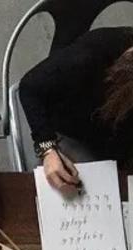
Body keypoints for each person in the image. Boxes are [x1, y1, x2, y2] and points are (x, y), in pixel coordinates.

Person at [19, 27, 133, 194]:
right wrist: (48, 150)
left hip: (117, 141)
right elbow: (29, 88)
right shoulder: (90, 55)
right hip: (69, 127)